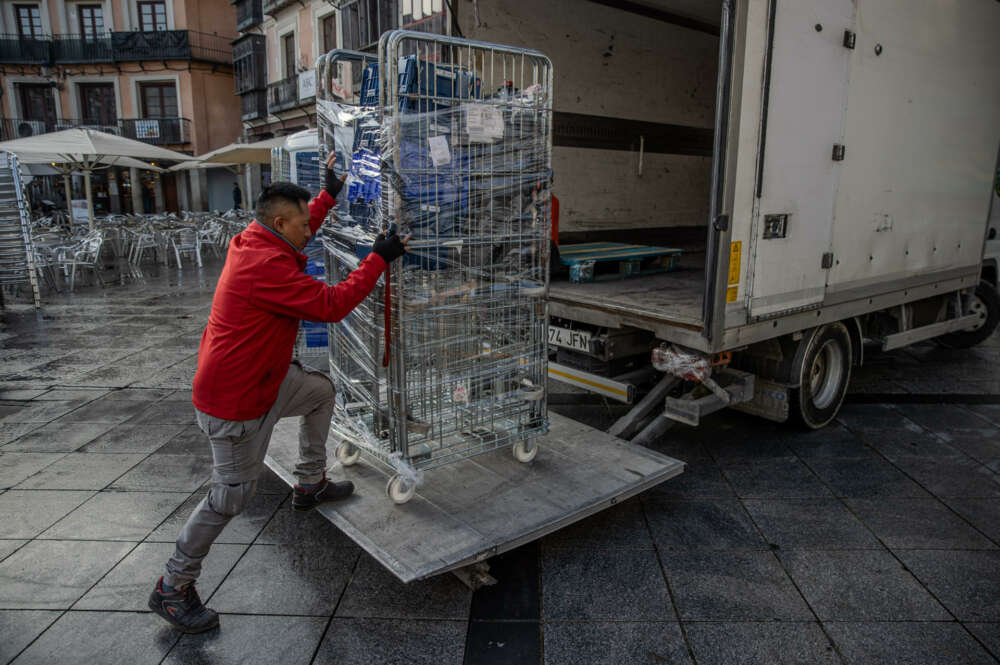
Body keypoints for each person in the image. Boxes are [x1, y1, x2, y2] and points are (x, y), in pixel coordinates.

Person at [148, 153, 408, 634]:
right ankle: (172, 586)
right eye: (305, 224)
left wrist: (329, 193)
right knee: (229, 497)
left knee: (320, 392)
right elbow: (331, 305)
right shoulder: (264, 267)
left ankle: (308, 482)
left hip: (265, 379)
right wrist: (378, 259)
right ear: (282, 223)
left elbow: (301, 222)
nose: (311, 232)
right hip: (236, 400)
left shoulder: (257, 240)